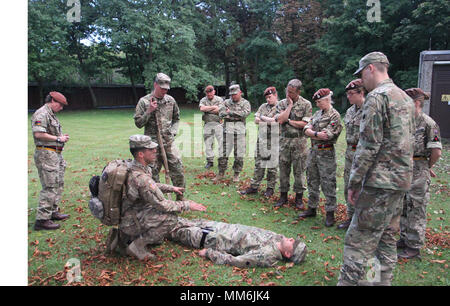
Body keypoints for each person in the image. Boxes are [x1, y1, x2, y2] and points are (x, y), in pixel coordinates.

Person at [337, 52, 415, 286]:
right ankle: (378, 282)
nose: (361, 80)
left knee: (358, 241)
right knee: (386, 240)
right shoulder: (405, 98)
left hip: (377, 184)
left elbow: (369, 145)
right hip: (399, 183)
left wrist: (354, 182)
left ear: (371, 68)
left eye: (361, 74)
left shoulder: (377, 97)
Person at [114, 135, 207, 261]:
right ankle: (137, 246)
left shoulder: (135, 167)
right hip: (132, 219)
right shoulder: (141, 177)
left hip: (130, 214)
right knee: (170, 219)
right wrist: (187, 205)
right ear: (141, 154)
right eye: (150, 149)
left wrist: (170, 188)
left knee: (163, 215)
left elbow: (150, 186)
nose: (155, 151)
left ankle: (128, 238)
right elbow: (162, 204)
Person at [398, 88, 442, 259]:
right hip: (404, 169)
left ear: (416, 103)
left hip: (418, 169)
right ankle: (404, 238)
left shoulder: (429, 124)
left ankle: (414, 247)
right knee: (403, 206)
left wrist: (425, 167)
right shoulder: (405, 122)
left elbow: (436, 152)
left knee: (416, 208)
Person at [169, 217, 307, 268]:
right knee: (176, 219)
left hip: (210, 238)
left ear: (288, 254)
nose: (292, 239)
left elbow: (237, 261)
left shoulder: (266, 256)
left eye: (293, 244)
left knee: (170, 228)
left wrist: (209, 253)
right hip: (218, 225)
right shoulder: (278, 238)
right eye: (295, 240)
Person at [133, 73, 185, 200]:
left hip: (168, 143)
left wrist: (173, 132)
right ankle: (158, 202)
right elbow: (138, 123)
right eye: (162, 88)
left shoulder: (170, 101)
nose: (164, 91)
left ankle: (180, 200)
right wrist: (149, 111)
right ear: (155, 85)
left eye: (166, 89)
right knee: (152, 174)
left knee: (178, 171)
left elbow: (176, 119)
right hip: (151, 146)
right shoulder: (144, 101)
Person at [300, 88, 342, 227]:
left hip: (326, 153)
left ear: (327, 100)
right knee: (312, 180)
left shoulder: (334, 115)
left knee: (328, 183)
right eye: (316, 102)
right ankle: (312, 208)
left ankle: (330, 213)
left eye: (319, 101)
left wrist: (312, 132)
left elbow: (328, 135)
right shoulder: (317, 114)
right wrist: (315, 133)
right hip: (313, 152)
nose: (317, 104)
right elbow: (305, 129)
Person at [31, 91, 70, 231]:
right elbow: (39, 133)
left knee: (58, 183)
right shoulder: (41, 113)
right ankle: (42, 220)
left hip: (54, 154)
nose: (61, 108)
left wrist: (59, 136)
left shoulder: (50, 114)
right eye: (60, 105)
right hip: (46, 154)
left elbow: (49, 132)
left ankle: (52, 211)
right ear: (53, 101)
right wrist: (58, 139)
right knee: (49, 186)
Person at [273, 79, 312, 209]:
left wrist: (288, 121)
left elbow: (305, 124)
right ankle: (283, 196)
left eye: (291, 92)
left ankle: (299, 198)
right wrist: (289, 106)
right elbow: (280, 120)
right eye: (287, 91)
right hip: (284, 141)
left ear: (298, 92)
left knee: (299, 170)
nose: (288, 94)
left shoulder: (306, 104)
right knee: (283, 169)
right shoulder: (281, 103)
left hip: (299, 142)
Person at [337, 79, 367, 230]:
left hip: (364, 154)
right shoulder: (350, 111)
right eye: (347, 94)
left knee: (363, 187)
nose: (348, 97)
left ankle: (363, 220)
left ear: (361, 93)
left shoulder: (370, 109)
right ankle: (351, 217)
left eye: (351, 94)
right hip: (350, 153)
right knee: (348, 185)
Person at [239, 87, 278, 197]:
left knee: (272, 166)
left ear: (275, 95)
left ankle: (270, 188)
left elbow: (277, 122)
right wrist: (269, 120)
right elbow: (256, 120)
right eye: (266, 98)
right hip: (261, 140)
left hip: (274, 140)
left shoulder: (281, 106)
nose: (268, 100)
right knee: (259, 164)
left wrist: (263, 118)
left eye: (270, 97)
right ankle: (254, 186)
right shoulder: (263, 106)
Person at [215, 84, 251, 183]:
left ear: (240, 93)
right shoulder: (226, 102)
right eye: (231, 94)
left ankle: (236, 174)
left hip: (239, 133)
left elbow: (245, 114)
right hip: (227, 132)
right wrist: (235, 115)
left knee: (239, 155)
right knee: (223, 154)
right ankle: (221, 173)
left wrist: (230, 113)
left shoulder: (245, 103)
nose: (233, 96)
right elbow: (221, 114)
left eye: (235, 94)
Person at [199, 85, 224, 169]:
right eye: (207, 93)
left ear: (214, 91)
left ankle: (221, 161)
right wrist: (213, 107)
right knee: (208, 143)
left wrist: (208, 110)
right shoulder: (203, 100)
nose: (209, 94)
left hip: (218, 124)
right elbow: (202, 108)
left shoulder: (219, 99)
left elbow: (219, 110)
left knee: (221, 143)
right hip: (208, 124)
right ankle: (210, 161)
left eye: (210, 92)